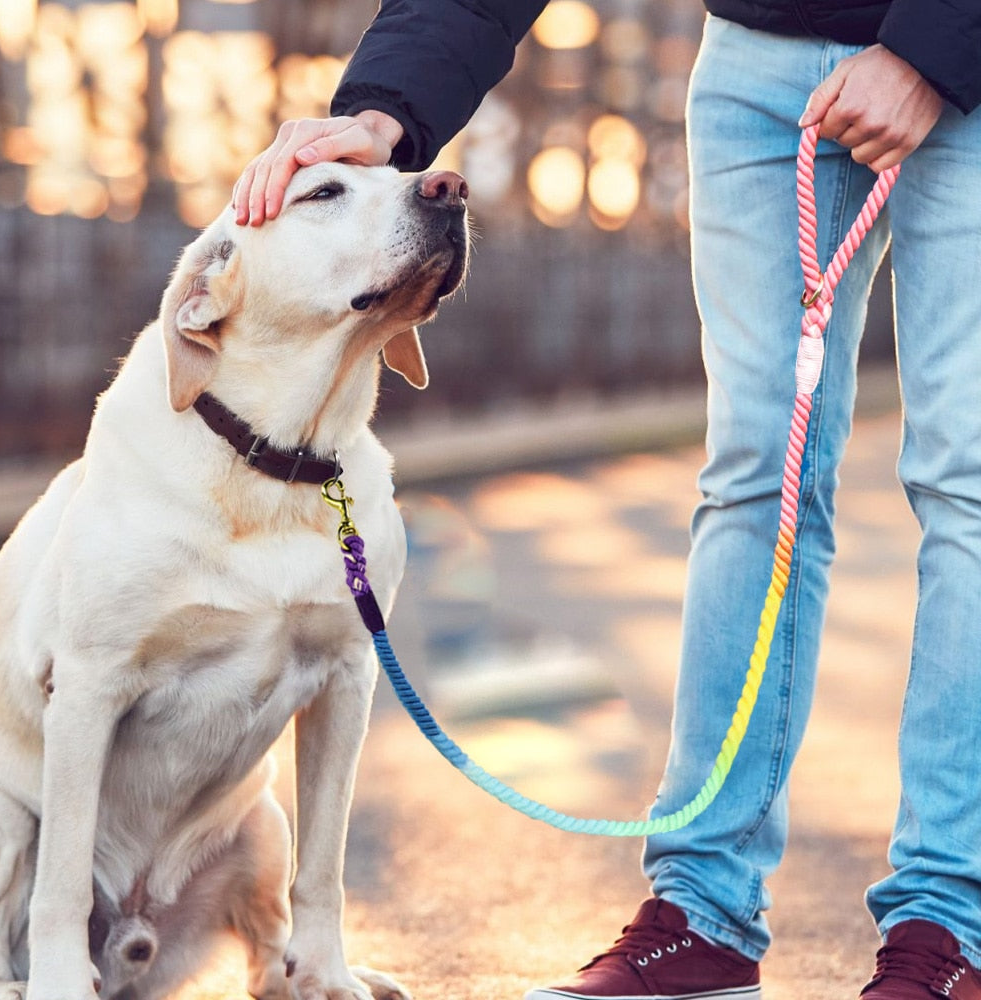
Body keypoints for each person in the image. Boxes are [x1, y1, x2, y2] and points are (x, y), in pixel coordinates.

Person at [233, 3, 981, 1000]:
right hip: (759, 69)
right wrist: (385, 109)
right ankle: (703, 916)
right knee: (753, 478)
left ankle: (950, 928)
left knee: (964, 479)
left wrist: (937, 49)